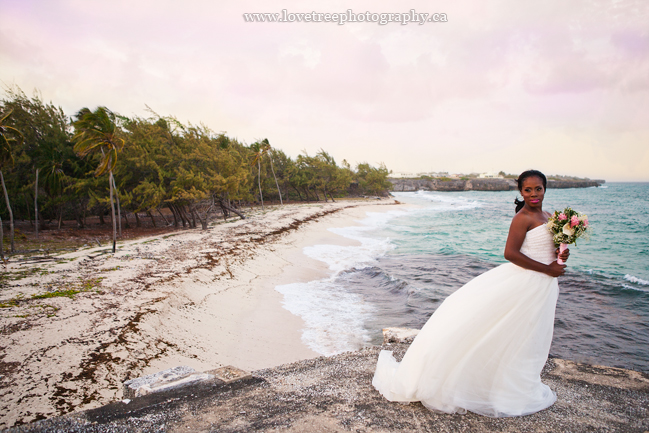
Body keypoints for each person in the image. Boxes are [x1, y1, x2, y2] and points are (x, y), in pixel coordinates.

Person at [372, 169, 570, 418]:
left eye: (538, 188)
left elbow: (547, 248)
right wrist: (548, 269)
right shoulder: (522, 218)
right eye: (527, 189)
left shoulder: (548, 215)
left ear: (545, 189)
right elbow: (510, 254)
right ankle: (498, 388)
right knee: (514, 333)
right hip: (528, 282)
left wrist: (560, 255)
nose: (533, 194)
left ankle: (513, 385)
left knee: (527, 336)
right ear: (520, 191)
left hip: (543, 285)